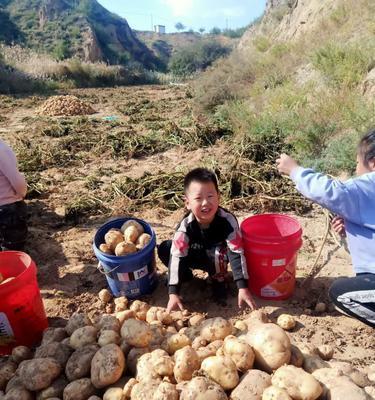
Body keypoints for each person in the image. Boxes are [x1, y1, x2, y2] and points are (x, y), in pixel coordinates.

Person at [276, 128, 375, 328]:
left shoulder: (369, 184)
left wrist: (295, 170)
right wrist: (352, 229)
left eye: (357, 163)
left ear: (372, 163)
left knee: (341, 293)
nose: (356, 170)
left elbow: (333, 193)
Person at [158, 167, 257, 313]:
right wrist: (173, 292)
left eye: (210, 196)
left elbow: (236, 251)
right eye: (198, 198)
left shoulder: (227, 220)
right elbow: (177, 255)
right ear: (187, 203)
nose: (205, 203)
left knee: (220, 253)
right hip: (193, 253)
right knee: (166, 248)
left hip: (216, 259)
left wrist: (243, 287)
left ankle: (218, 281)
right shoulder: (185, 226)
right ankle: (184, 276)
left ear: (219, 197)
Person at [0, 139, 28, 250]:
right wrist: (22, 194)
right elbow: (18, 181)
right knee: (13, 248)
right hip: (8, 210)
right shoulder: (1, 150)